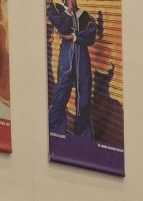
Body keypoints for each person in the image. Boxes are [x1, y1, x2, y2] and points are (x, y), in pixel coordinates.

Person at [47, 0, 98, 138]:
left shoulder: (84, 15)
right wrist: (68, 9)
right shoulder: (57, 9)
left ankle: (83, 136)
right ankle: (55, 132)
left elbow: (91, 35)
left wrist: (74, 36)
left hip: (82, 56)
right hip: (66, 55)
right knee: (61, 93)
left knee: (84, 95)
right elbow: (63, 28)